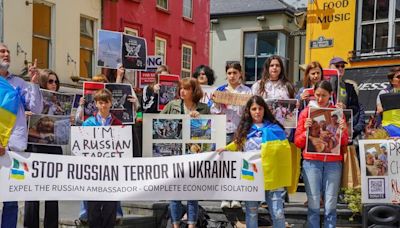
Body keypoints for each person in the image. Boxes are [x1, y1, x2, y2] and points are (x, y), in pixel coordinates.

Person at [217, 95, 291, 228]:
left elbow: (284, 150)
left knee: (278, 212)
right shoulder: (245, 129)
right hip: (251, 177)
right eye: (254, 109)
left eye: (260, 108)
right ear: (249, 111)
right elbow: (237, 144)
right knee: (251, 213)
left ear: (265, 110)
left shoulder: (275, 128)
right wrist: (225, 148)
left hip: (272, 177)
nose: (257, 112)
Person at [0, 43, 43, 228]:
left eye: (8, 51)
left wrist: (33, 83)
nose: (7, 54)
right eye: (2, 51)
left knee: (11, 199)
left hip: (14, 147)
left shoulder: (19, 82)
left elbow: (36, 108)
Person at [294, 80, 348, 228]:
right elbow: (298, 142)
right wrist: (306, 131)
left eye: (323, 95)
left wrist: (342, 130)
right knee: (313, 204)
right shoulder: (306, 113)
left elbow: (344, 142)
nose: (319, 99)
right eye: (317, 95)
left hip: (333, 163)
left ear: (331, 95)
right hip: (311, 162)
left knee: (331, 205)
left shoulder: (337, 112)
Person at [161, 77, 209, 228]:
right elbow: (160, 125)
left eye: (186, 88)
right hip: (174, 153)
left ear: (194, 91)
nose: (182, 91)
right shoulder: (172, 105)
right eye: (181, 88)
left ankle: (192, 225)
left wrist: (198, 121)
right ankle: (175, 225)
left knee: (192, 192)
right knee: (174, 192)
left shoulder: (203, 108)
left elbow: (209, 132)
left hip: (194, 155)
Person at [210, 62, 251, 209]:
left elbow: (251, 111)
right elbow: (213, 112)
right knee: (224, 165)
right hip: (224, 130)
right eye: (229, 73)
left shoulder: (247, 91)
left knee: (239, 164)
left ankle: (236, 197)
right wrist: (216, 103)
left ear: (240, 74)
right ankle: (225, 197)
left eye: (235, 73)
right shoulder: (219, 91)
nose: (232, 76)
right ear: (226, 74)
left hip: (240, 131)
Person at [83, 89, 122, 228]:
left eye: (106, 102)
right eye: (101, 103)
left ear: (111, 103)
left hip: (111, 172)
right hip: (93, 171)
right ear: (96, 104)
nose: (104, 106)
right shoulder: (88, 123)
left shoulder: (118, 124)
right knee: (93, 207)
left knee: (110, 207)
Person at [329, 57, 365, 140]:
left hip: (343, 125)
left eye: (342, 66)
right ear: (330, 68)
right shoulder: (324, 85)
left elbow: (356, 107)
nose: (340, 68)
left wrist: (346, 107)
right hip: (329, 124)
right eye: (337, 66)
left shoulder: (349, 87)